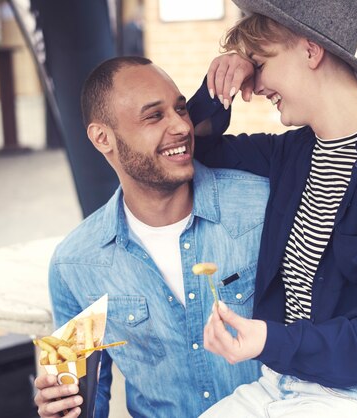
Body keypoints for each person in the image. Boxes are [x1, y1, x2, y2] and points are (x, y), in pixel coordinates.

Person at [187, 1, 357, 417]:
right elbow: (195, 146)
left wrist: (270, 341)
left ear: (311, 51)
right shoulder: (292, 152)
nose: (253, 86)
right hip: (280, 382)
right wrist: (217, 85)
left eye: (258, 64)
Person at [33, 56, 269, 418]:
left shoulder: (261, 206)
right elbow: (81, 398)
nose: (180, 126)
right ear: (102, 138)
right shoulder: (73, 264)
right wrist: (60, 408)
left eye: (180, 109)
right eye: (154, 116)